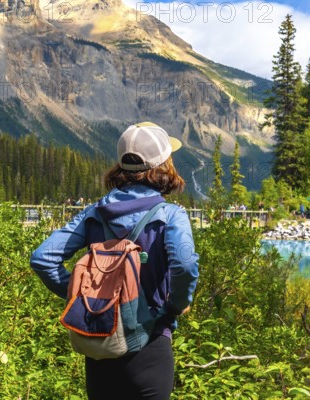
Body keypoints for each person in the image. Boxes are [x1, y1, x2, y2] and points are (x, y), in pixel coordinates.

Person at [30, 122, 199, 400]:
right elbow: (184, 264)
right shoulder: (170, 214)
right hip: (151, 347)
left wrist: (83, 299)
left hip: (101, 346)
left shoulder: (94, 212)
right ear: (163, 165)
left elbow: (43, 259)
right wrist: (177, 305)